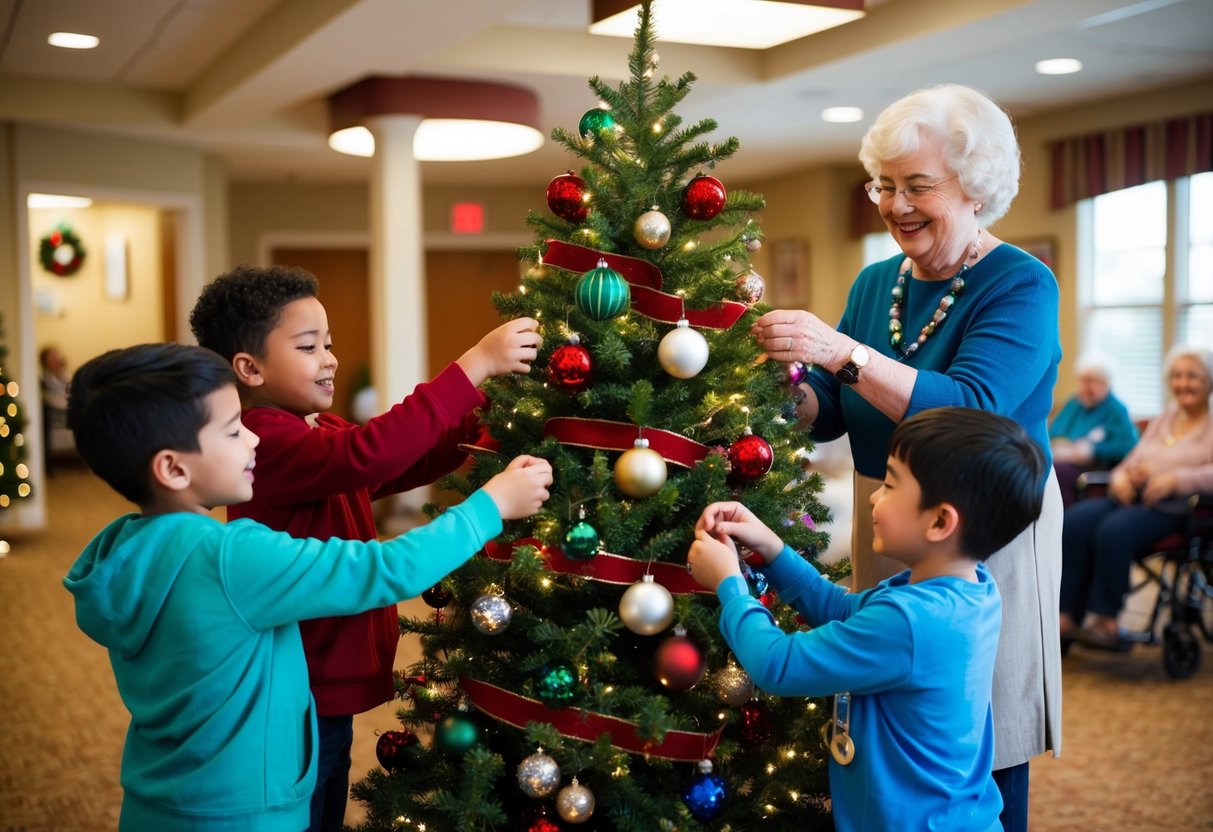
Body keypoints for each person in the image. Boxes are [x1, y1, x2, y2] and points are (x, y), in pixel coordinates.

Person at [61, 342, 552, 831]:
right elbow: (384, 569)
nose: (253, 441)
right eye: (234, 431)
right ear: (172, 468)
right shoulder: (230, 558)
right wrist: (490, 506)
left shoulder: (123, 552)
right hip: (249, 813)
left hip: (159, 807)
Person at [749, 83, 1062, 830]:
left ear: (976, 189)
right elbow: (828, 413)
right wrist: (782, 382)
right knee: (884, 706)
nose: (894, 206)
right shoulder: (874, 282)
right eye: (883, 186)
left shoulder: (1019, 282)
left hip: (987, 527)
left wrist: (842, 351)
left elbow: (972, 406)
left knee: (977, 724)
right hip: (886, 504)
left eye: (917, 186)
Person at [188, 263, 541, 831]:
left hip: (324, 687)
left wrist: (485, 423)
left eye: (328, 343)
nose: (329, 358)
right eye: (308, 347)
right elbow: (370, 453)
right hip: (300, 688)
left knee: (325, 798)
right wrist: (473, 366)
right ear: (249, 368)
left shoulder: (314, 431)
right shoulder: (264, 439)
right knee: (303, 809)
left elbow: (399, 460)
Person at [687, 407, 1045, 832]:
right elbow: (843, 610)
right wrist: (773, 548)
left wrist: (729, 584)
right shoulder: (967, 588)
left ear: (940, 521)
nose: (875, 496)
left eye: (891, 485)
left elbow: (777, 665)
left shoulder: (911, 620)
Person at [1061, 345, 1213, 650]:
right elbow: (1132, 457)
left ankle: (1107, 620)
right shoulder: (1165, 418)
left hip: (1178, 509)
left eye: (1192, 376)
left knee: (1115, 529)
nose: (1183, 383)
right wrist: (1119, 477)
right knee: (1074, 521)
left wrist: (1176, 480)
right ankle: (1066, 616)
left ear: (1209, 381)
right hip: (1133, 498)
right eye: (1178, 376)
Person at [1049, 354, 1138, 506]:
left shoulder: (1116, 409)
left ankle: (1063, 522)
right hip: (1062, 459)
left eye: (1092, 381)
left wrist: (1094, 450)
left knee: (1057, 473)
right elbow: (1053, 433)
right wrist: (1061, 447)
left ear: (1106, 383)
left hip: (1092, 469)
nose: (1085, 387)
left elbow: (1128, 446)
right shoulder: (1074, 404)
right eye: (1083, 380)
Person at [39, 344, 73, 472]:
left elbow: (70, 390)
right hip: (52, 409)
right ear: (45, 360)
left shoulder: (66, 374)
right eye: (53, 356)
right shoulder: (43, 378)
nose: (57, 358)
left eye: (57, 355)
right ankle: (48, 465)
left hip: (69, 407)